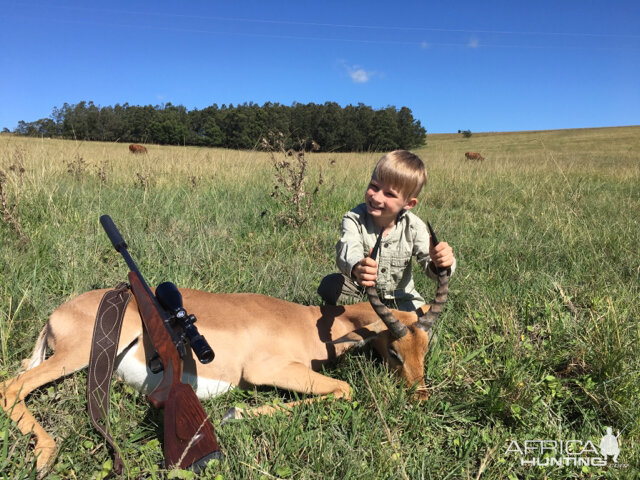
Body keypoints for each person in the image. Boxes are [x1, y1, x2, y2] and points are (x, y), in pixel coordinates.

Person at [317, 150, 455, 311]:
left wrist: (440, 263)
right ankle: (362, 314)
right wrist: (357, 268)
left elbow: (429, 265)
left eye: (389, 194)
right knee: (330, 285)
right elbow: (348, 247)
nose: (376, 197)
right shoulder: (354, 218)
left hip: (401, 299)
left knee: (422, 328)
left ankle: (376, 318)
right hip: (361, 293)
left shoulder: (414, 226)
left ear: (409, 204)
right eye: (374, 186)